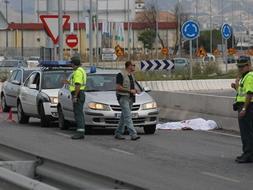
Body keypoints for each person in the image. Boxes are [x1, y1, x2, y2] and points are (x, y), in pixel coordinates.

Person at [232, 57, 253, 163]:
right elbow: (242, 93)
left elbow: (249, 94)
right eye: (239, 66)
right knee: (247, 132)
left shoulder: (249, 76)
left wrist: (244, 108)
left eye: (242, 66)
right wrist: (236, 84)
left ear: (248, 65)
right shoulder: (244, 77)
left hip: (248, 107)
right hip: (245, 106)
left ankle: (248, 155)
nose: (240, 68)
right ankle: (248, 154)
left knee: (247, 133)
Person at [115, 61, 140, 141]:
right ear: (129, 66)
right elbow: (118, 87)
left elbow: (132, 87)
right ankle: (133, 134)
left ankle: (118, 133)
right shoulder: (121, 75)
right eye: (133, 65)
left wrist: (135, 90)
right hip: (123, 98)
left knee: (124, 116)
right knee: (128, 116)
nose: (134, 67)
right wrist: (129, 91)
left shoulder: (132, 75)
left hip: (130, 98)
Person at [65, 56, 87, 140]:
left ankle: (80, 133)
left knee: (78, 113)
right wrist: (68, 82)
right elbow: (75, 83)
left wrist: (75, 96)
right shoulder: (81, 70)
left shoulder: (78, 72)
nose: (71, 65)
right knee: (78, 113)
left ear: (74, 64)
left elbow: (78, 85)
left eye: (71, 63)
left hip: (78, 93)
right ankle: (80, 131)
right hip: (80, 93)